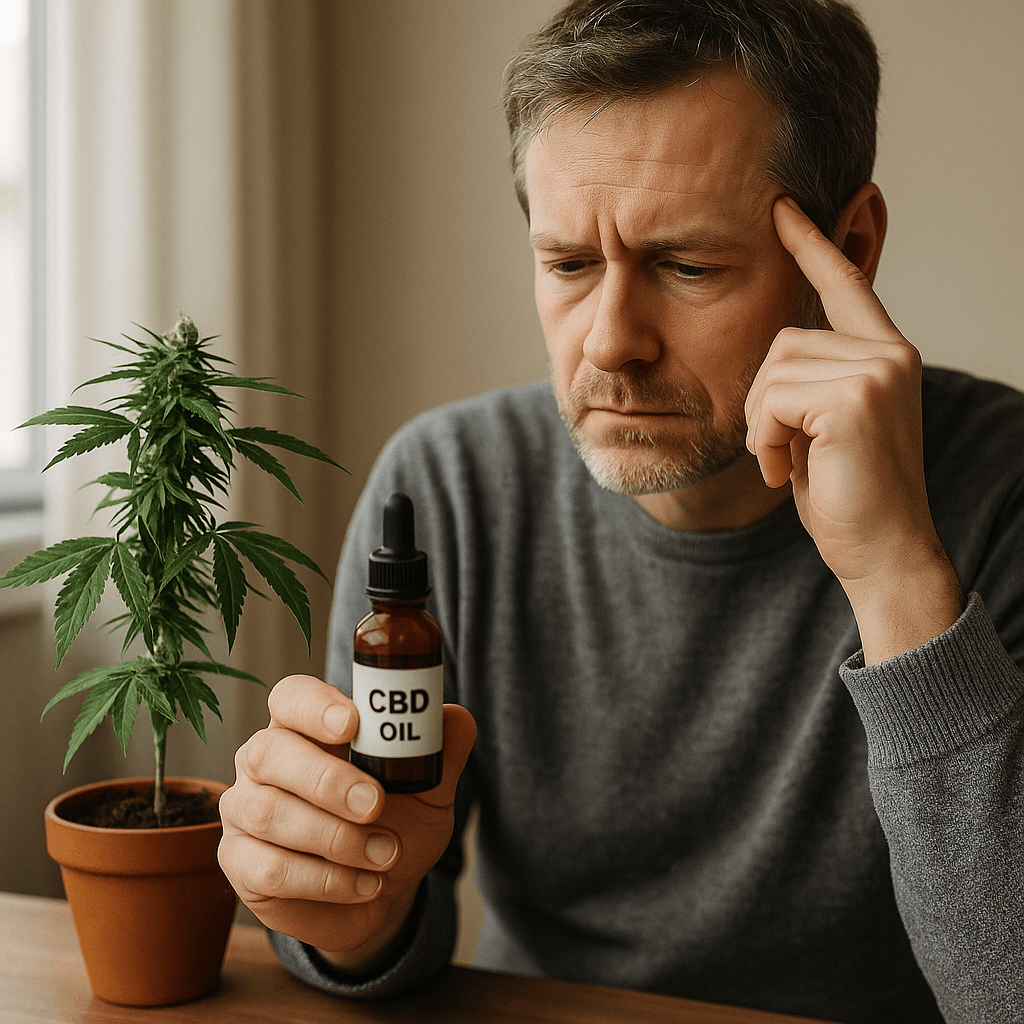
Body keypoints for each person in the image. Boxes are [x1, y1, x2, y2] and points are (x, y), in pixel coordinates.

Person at [217, 1, 1024, 1021]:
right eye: (566, 264)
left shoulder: (998, 490)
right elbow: (381, 912)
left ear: (848, 245)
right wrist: (348, 899)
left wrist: (898, 575)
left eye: (686, 265)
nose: (608, 344)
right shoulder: (450, 486)